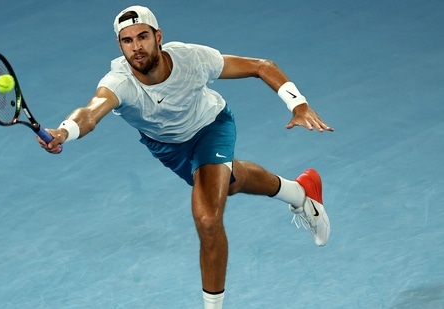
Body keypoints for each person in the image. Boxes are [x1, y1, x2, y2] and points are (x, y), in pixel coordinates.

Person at [38, 5, 333, 309]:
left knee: (207, 218)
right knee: (230, 183)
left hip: (211, 127)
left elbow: (260, 66)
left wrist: (298, 105)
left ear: (158, 36)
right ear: (119, 45)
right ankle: (300, 191)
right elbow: (90, 112)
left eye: (142, 37)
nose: (136, 47)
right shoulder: (118, 82)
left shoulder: (191, 58)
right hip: (168, 148)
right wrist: (63, 131)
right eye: (127, 41)